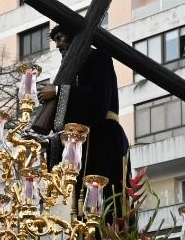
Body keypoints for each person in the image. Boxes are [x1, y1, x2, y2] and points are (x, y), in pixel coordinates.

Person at [37, 24, 129, 221]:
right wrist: (51, 142)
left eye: (63, 38)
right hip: (81, 144)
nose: (59, 44)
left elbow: (99, 100)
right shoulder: (68, 75)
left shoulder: (98, 58)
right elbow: (64, 122)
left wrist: (59, 92)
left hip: (104, 139)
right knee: (80, 206)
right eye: (56, 40)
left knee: (107, 202)